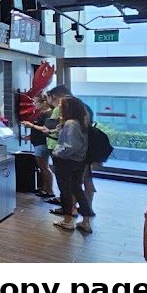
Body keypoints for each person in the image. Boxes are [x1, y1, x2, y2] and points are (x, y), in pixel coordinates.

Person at [46, 96, 95, 232]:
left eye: (62, 105)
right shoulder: (82, 122)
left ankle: (67, 220)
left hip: (66, 161)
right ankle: (85, 221)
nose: (59, 108)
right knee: (78, 189)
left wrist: (57, 153)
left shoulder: (70, 123)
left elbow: (71, 146)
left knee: (65, 191)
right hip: (79, 161)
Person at [24, 95, 55, 198]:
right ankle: (44, 188)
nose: (34, 105)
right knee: (42, 168)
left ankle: (49, 190)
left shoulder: (49, 114)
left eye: (36, 102)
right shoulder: (42, 113)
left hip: (42, 144)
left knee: (44, 167)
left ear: (44, 102)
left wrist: (31, 126)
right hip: (38, 143)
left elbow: (45, 129)